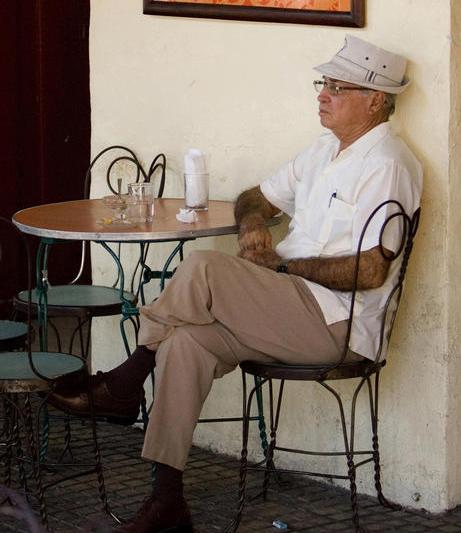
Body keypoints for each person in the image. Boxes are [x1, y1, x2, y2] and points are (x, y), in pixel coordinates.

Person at [48, 34, 423, 532]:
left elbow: (372, 270)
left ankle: (127, 379)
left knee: (204, 266)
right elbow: (254, 197)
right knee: (184, 344)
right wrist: (251, 231)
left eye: (338, 86)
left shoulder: (389, 165)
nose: (322, 95)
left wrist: (282, 268)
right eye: (323, 83)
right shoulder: (323, 151)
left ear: (376, 100)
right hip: (284, 310)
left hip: (337, 323)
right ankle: (167, 502)